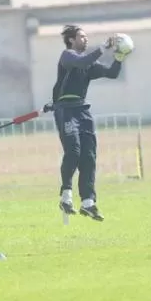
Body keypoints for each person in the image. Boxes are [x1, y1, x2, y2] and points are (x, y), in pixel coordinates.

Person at [45, 25, 127, 221]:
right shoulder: (68, 56)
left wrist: (120, 56)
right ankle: (66, 196)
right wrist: (103, 48)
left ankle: (88, 202)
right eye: (82, 36)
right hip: (66, 110)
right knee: (73, 151)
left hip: (83, 111)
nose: (86, 39)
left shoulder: (88, 64)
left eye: (86, 36)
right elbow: (81, 63)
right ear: (71, 40)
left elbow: (112, 73)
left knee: (88, 156)